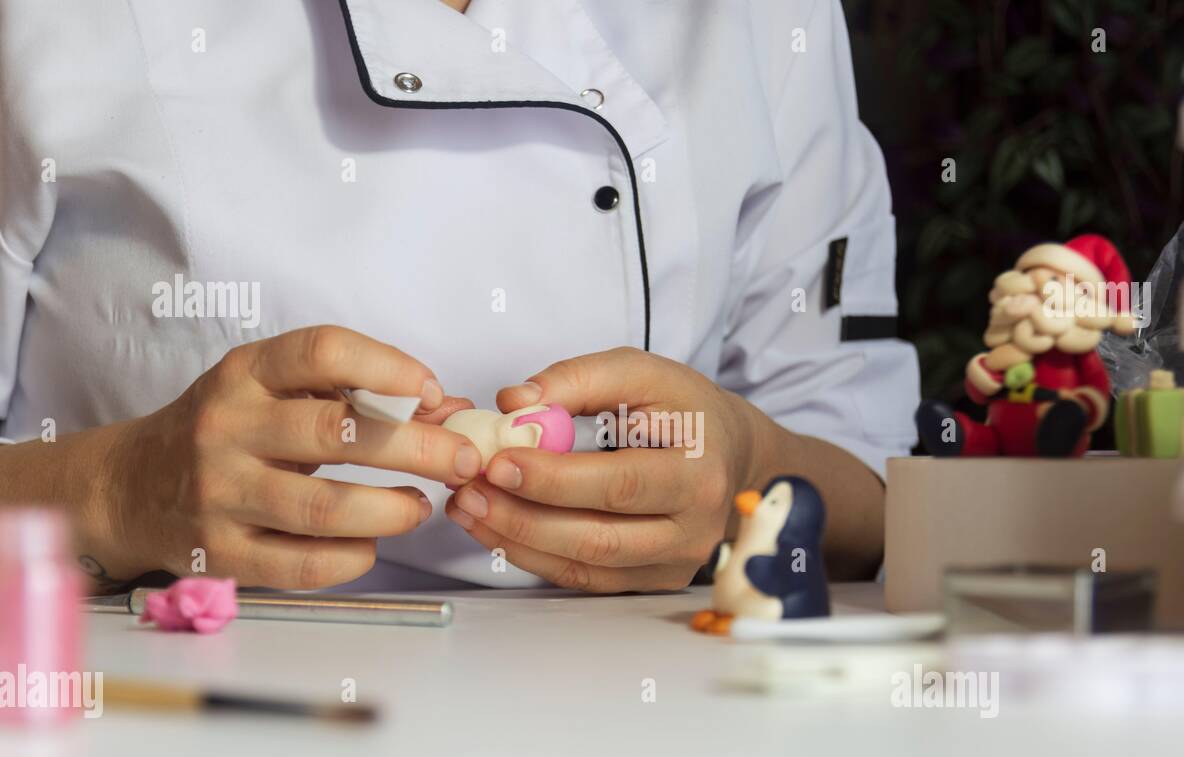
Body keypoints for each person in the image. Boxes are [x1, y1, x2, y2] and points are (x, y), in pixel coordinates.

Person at [0, 0, 918, 594]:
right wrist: (118, 491)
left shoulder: (766, 21)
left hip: (647, 744)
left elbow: (877, 496)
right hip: (163, 741)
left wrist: (748, 475)